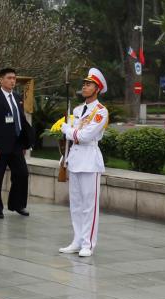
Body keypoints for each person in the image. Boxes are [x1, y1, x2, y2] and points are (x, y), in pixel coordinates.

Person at [58, 68, 108, 258]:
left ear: (97, 89)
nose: (84, 87)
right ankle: (77, 240)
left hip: (90, 159)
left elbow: (86, 135)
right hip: (75, 158)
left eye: (89, 84)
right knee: (76, 204)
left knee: (90, 205)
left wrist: (68, 130)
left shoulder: (100, 112)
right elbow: (74, 136)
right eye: (84, 84)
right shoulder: (78, 110)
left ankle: (88, 243)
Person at [0, 67, 32, 219]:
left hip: (16, 146)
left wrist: (25, 143)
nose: (13, 81)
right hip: (0, 147)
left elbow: (21, 121)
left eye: (14, 78)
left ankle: (17, 204)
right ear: (1, 80)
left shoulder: (18, 97)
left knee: (22, 174)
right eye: (9, 78)